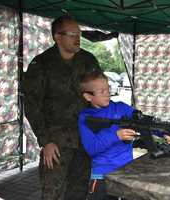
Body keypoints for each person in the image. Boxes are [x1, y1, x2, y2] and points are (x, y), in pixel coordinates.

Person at [23, 15, 102, 200]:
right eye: (73, 34)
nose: (78, 39)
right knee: (53, 193)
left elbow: (100, 94)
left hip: (85, 140)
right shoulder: (41, 64)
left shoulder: (88, 60)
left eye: (79, 34)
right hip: (57, 144)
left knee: (79, 191)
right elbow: (32, 106)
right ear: (57, 37)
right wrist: (46, 141)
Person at [77, 71, 170, 200]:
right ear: (88, 96)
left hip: (126, 171)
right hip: (103, 175)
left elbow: (144, 122)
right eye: (101, 91)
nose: (107, 93)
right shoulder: (86, 117)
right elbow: (92, 149)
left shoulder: (121, 108)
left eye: (108, 88)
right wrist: (116, 136)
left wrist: (165, 132)